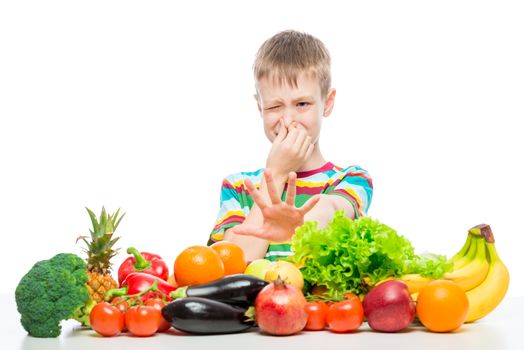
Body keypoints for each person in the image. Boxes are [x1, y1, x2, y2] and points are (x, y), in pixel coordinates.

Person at [207, 30, 373, 262]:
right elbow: (232, 263)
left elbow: (331, 210)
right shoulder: (238, 187)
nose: (287, 120)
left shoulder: (352, 179)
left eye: (302, 103)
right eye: (275, 107)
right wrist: (276, 173)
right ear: (260, 108)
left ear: (327, 103)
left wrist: (293, 225)